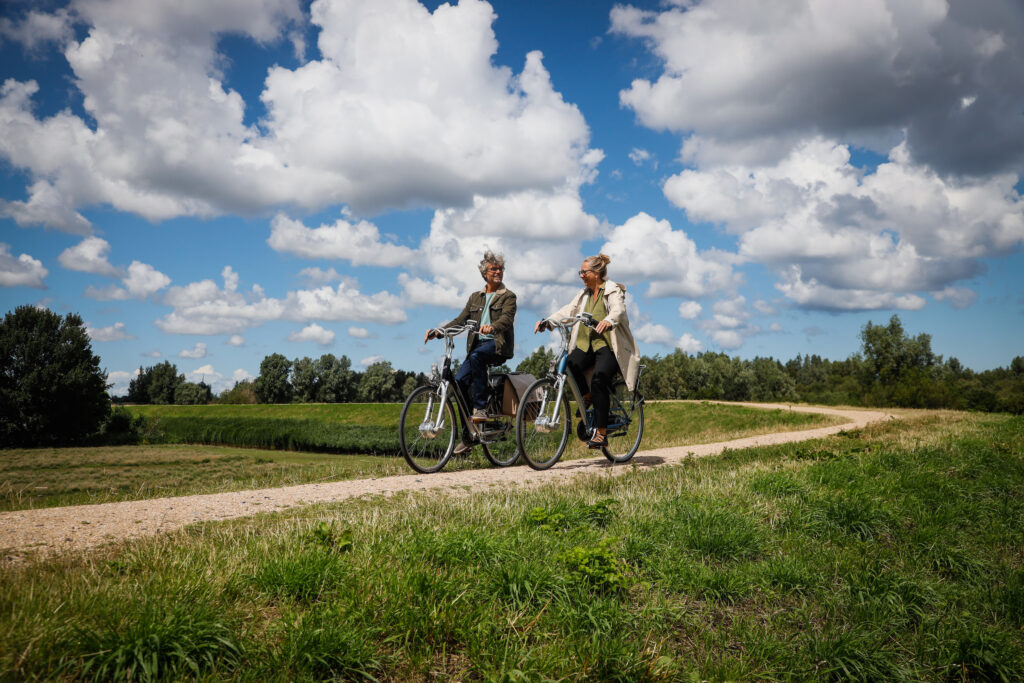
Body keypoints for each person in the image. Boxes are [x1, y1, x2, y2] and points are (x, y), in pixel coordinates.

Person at [534, 253, 639, 449]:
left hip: (609, 346)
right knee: (568, 365)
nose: (581, 275)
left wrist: (608, 320)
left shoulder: (612, 289)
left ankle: (601, 433)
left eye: (584, 272)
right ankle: (587, 396)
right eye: (580, 272)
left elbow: (618, 309)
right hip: (586, 344)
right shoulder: (584, 295)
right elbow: (568, 310)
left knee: (599, 380)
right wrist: (548, 321)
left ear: (597, 272)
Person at [426, 251, 517, 453]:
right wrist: (439, 331)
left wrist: (492, 327)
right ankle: (470, 435)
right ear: (484, 273)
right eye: (494, 269)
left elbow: (507, 319)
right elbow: (460, 320)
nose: (498, 272)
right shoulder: (475, 297)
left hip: (497, 344)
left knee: (477, 357)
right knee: (459, 383)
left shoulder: (509, 296)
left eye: (500, 269)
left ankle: (481, 407)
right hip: (477, 346)